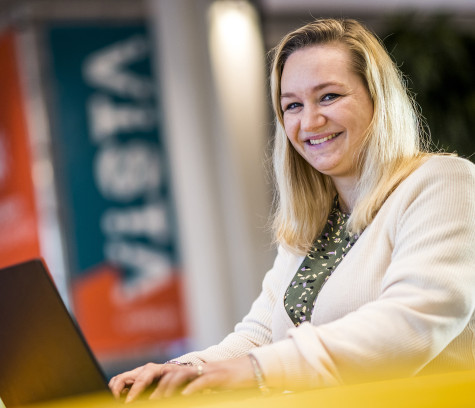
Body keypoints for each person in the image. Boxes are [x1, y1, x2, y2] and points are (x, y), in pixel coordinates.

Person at [108, 18, 475, 401]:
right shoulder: (317, 220)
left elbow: (413, 322)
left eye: (329, 96)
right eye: (293, 105)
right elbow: (261, 334)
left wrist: (257, 371)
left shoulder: (441, 182)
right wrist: (181, 370)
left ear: (377, 99)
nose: (309, 121)